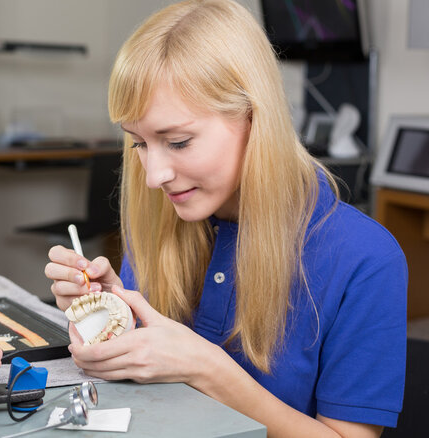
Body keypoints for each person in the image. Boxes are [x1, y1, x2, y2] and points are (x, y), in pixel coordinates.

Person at [45, 1, 407, 436]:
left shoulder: (366, 259)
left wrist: (207, 369)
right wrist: (111, 318)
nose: (153, 178)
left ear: (256, 118)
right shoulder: (162, 222)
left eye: (178, 142)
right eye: (138, 143)